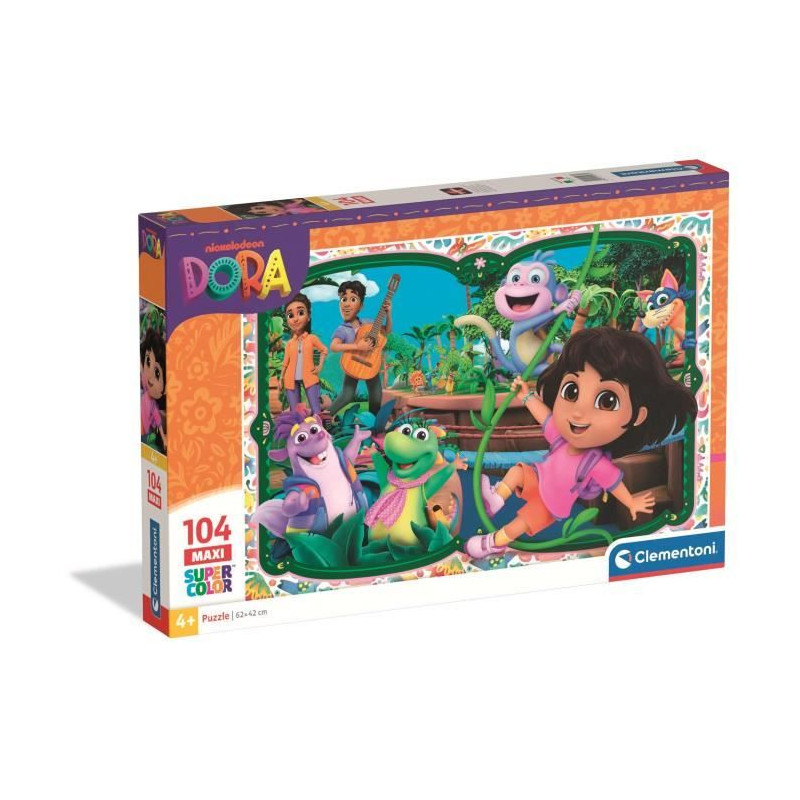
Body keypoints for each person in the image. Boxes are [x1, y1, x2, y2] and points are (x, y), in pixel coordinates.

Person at [466, 327, 698, 558]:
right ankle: (496, 499)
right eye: (572, 391)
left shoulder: (595, 462)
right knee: (517, 472)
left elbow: (614, 484)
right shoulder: (560, 437)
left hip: (551, 504)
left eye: (607, 401)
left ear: (638, 416)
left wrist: (631, 502)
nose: (578, 412)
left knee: (519, 524)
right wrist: (526, 396)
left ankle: (493, 542)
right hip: (537, 478)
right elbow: (544, 416)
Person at [328, 280, 392, 415]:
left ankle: (373, 421)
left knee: (376, 395)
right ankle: (323, 417)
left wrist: (388, 314)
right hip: (353, 363)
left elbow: (386, 331)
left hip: (371, 363)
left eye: (353, 299)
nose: (347, 304)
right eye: (343, 299)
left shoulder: (367, 323)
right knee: (347, 395)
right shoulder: (343, 329)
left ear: (361, 306)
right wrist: (357, 346)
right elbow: (334, 346)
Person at [280, 293, 327, 416]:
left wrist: (319, 367)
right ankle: (297, 427)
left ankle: (318, 426)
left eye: (300, 313)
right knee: (295, 412)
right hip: (290, 379)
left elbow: (324, 350)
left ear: (308, 316)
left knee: (316, 409)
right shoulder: (289, 343)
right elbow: (285, 363)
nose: (295, 319)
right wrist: (281, 378)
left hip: (310, 377)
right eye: (290, 315)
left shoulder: (312, 338)